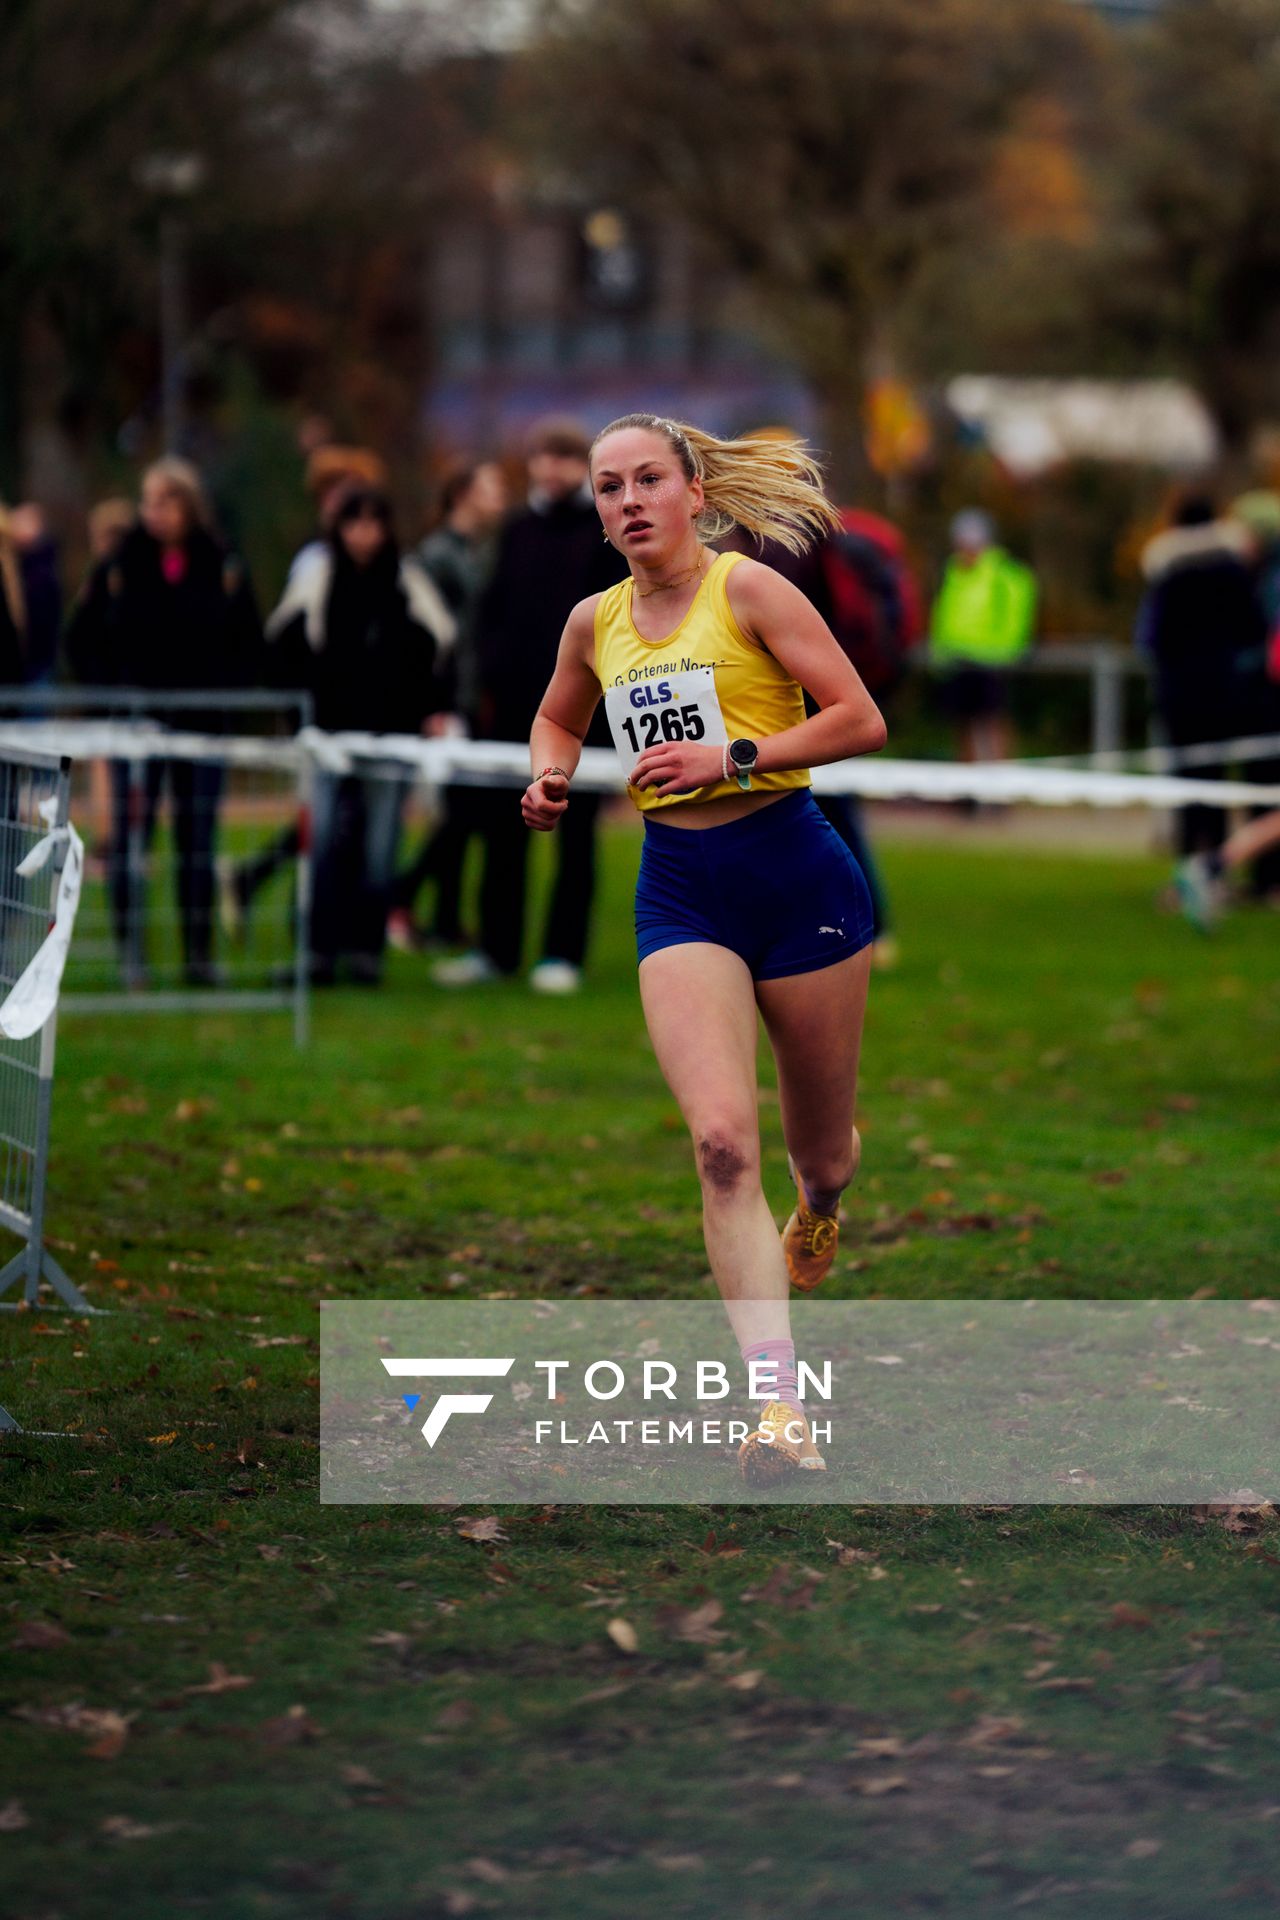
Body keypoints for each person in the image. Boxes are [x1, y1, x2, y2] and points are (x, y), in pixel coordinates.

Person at [521, 414, 886, 1485]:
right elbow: (555, 719)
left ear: (691, 491)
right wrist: (546, 776)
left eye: (645, 480)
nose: (625, 501)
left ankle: (819, 1208)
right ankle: (778, 1407)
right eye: (605, 487)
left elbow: (857, 718)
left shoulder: (752, 593)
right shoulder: (594, 622)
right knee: (722, 1144)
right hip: (679, 892)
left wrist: (732, 755)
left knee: (817, 1156)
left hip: (797, 880)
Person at [433, 416, 628, 993]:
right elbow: (491, 614)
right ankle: (497, 951)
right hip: (514, 709)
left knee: (577, 839)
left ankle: (562, 954)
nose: (555, 467)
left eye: (569, 457)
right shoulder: (515, 531)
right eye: (545, 455)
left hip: (587, 713)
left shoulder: (605, 533)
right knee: (502, 833)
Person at [64, 458, 262, 987]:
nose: (155, 513)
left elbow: (248, 642)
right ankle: (133, 953)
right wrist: (112, 692)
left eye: (166, 502)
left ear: (188, 506)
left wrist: (224, 692)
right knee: (132, 842)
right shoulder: (119, 565)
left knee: (198, 841)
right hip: (136, 728)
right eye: (149, 502)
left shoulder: (221, 563)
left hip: (201, 729)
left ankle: (197, 955)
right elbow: (81, 640)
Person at [265, 485, 455, 984]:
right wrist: (301, 715)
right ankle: (317, 953)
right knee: (322, 841)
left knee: (380, 846)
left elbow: (439, 646)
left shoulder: (407, 581)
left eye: (375, 522)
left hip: (391, 737)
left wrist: (425, 709)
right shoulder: (319, 577)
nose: (365, 534)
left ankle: (367, 953)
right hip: (329, 736)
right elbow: (284, 643)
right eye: (355, 522)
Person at [386, 459, 509, 952]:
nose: (500, 494)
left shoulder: (482, 550)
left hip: (475, 696)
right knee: (463, 812)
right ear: (463, 493)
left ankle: (442, 918)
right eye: (491, 485)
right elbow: (425, 639)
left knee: (466, 811)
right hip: (449, 701)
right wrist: (433, 704)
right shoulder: (436, 556)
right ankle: (402, 893)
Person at [1135, 492, 1265, 863]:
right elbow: (1252, 629)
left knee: (1191, 784)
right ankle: (1216, 868)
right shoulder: (1234, 570)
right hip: (1227, 691)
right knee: (1219, 783)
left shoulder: (1168, 572)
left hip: (1181, 694)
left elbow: (1152, 636)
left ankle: (1192, 864)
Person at [929, 509, 1037, 764]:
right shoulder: (954, 571)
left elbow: (1016, 613)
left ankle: (998, 788)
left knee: (994, 723)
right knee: (962, 725)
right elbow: (945, 613)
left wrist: (1008, 650)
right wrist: (941, 652)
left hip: (992, 661)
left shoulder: (1002, 573)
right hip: (958, 659)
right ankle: (968, 790)